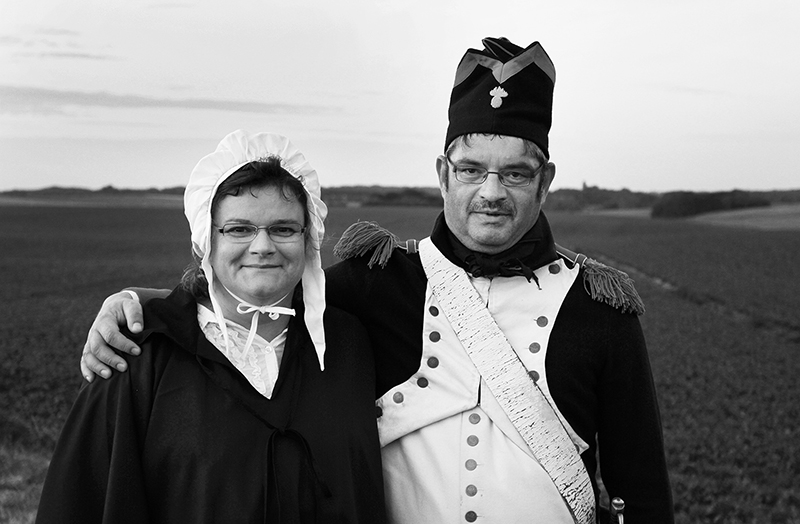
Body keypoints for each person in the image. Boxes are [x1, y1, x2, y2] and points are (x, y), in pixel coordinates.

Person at [79, 38, 674, 523]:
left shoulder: (601, 309)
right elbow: (255, 293)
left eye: (515, 174)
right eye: (471, 169)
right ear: (443, 174)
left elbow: (641, 489)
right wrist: (143, 304)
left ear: (545, 182)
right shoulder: (373, 283)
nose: (490, 193)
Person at [37, 130, 386, 523]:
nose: (263, 246)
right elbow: (82, 502)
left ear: (309, 239)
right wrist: (141, 302)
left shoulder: (348, 343)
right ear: (207, 239)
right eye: (239, 229)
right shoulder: (139, 353)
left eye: (283, 229)